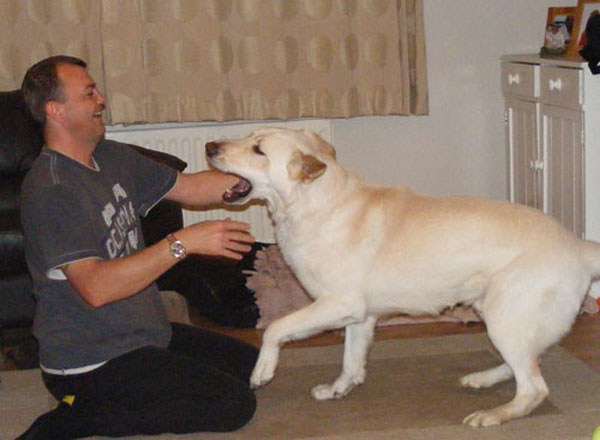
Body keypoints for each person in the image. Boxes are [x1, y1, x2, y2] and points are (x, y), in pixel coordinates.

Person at [16, 55, 259, 439]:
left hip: (145, 337)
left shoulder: (109, 157)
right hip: (92, 361)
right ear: (56, 111)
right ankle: (75, 416)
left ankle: (112, 397)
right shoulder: (53, 190)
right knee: (232, 406)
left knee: (254, 369)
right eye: (89, 93)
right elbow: (96, 288)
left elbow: (192, 188)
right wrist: (183, 243)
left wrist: (260, 176)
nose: (101, 100)